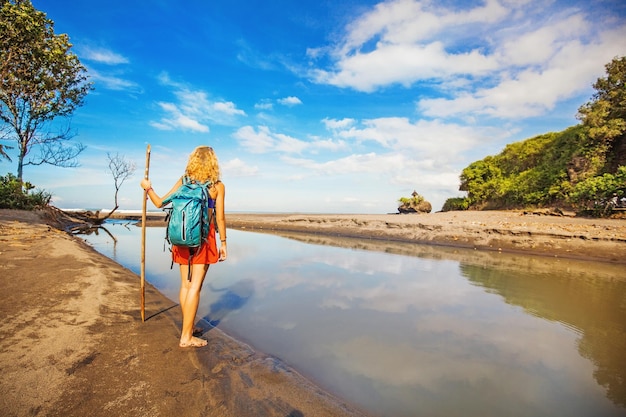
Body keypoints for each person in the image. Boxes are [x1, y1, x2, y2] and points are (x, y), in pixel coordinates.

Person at [140, 146, 227, 348]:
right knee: (195, 286)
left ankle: (189, 325)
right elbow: (220, 217)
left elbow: (160, 203)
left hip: (180, 238)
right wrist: (223, 242)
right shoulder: (217, 186)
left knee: (186, 285)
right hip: (203, 239)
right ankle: (186, 337)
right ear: (213, 163)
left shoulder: (184, 181)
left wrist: (147, 187)